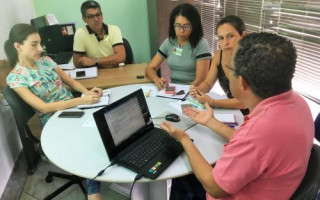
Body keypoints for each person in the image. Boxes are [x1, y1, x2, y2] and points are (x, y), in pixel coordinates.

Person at [160, 32, 314, 199]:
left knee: (182, 177)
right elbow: (255, 147)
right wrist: (212, 122)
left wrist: (184, 140)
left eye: (230, 68)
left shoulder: (260, 130)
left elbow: (214, 187)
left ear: (242, 81)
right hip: (272, 187)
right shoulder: (299, 104)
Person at [5, 23, 102, 128]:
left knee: (102, 121)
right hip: (54, 119)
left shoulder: (46, 60)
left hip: (73, 108)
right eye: (34, 44)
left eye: (40, 43)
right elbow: (44, 108)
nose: (40, 49)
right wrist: (81, 101)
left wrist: (86, 92)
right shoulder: (16, 78)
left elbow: (71, 81)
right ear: (18, 46)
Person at [145, 3, 211, 89]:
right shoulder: (169, 42)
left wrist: (186, 91)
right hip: (173, 90)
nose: (181, 30)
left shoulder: (201, 44)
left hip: (193, 90)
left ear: (194, 26)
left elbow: (201, 81)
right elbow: (149, 69)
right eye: (178, 25)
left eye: (186, 26)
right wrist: (157, 79)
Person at [190, 15, 247, 111]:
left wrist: (212, 102)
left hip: (254, 114)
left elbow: (243, 102)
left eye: (230, 36)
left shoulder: (251, 59)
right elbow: (208, 83)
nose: (225, 42)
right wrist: (198, 90)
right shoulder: (218, 55)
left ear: (243, 35)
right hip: (232, 111)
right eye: (221, 38)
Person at [73, 0, 126, 68]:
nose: (96, 19)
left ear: (102, 15)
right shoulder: (80, 33)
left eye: (98, 14)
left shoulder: (114, 30)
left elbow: (121, 57)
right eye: (91, 16)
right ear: (84, 19)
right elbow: (77, 62)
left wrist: (95, 61)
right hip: (94, 72)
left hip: (115, 70)